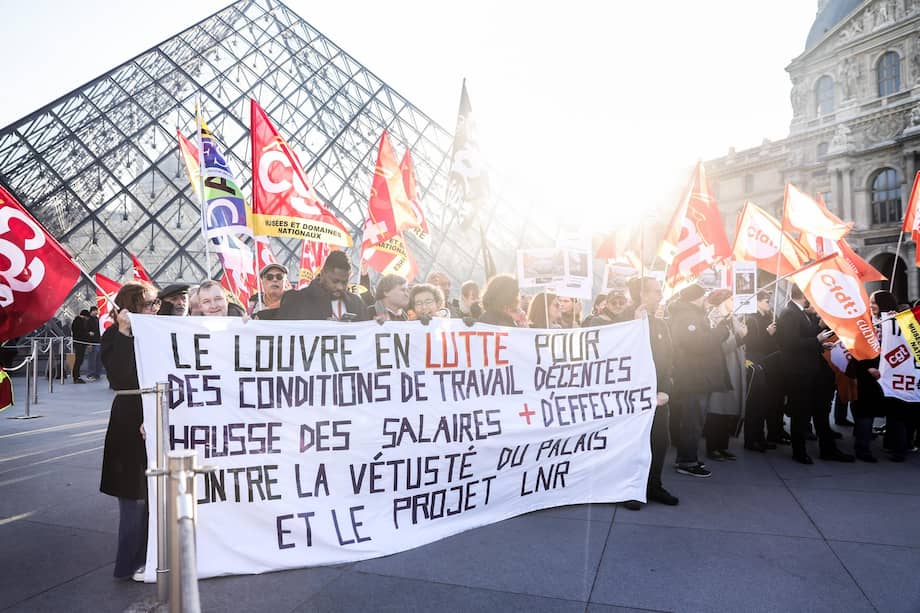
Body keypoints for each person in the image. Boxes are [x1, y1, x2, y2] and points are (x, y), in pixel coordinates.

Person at [100, 281, 160, 581]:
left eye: (156, 303)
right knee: (133, 494)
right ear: (129, 307)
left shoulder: (157, 330)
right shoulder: (114, 335)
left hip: (157, 412)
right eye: (149, 304)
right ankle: (129, 563)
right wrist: (124, 332)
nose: (155, 308)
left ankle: (151, 556)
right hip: (130, 416)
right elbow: (121, 378)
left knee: (156, 493)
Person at [776, 284, 854, 464]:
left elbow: (803, 338)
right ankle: (799, 452)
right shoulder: (790, 313)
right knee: (800, 413)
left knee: (815, 411)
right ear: (804, 295)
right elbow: (789, 344)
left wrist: (820, 344)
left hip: (810, 370)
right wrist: (816, 340)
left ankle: (827, 449)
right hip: (798, 372)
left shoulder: (797, 311)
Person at [621, 276, 679, 509]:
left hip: (657, 397)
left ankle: (653, 485)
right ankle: (630, 490)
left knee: (659, 441)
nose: (660, 295)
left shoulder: (661, 325)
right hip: (630, 397)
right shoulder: (622, 322)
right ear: (641, 294)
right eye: (655, 291)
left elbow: (669, 361)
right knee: (632, 443)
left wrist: (665, 389)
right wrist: (634, 326)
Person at [669, 284, 732, 478]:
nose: (706, 300)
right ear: (696, 298)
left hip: (698, 376)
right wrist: (721, 331)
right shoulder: (686, 316)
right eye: (703, 297)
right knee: (692, 423)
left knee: (695, 421)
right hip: (694, 377)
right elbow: (699, 343)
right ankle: (686, 461)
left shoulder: (691, 314)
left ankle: (689, 458)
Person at [703, 289, 747, 462]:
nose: (735, 302)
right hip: (722, 369)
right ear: (723, 301)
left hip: (733, 368)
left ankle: (723, 446)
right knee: (717, 410)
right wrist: (739, 338)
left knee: (727, 411)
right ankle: (713, 447)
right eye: (731, 299)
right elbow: (718, 347)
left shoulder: (733, 317)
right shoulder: (714, 318)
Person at [278, 251, 369, 321]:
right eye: (335, 281)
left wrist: (376, 323)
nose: (340, 287)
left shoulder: (357, 304)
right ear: (322, 274)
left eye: (344, 282)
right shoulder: (296, 300)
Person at [743, 290, 782, 451]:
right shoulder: (751, 319)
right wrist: (767, 334)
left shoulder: (768, 317)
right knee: (754, 404)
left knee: (763, 404)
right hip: (755, 363)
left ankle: (760, 437)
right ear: (757, 302)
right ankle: (751, 440)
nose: (769, 304)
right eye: (766, 301)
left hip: (767, 363)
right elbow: (751, 343)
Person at [71, 309, 91, 383]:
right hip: (80, 343)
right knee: (79, 360)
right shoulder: (80, 322)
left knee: (79, 360)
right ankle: (76, 377)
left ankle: (76, 376)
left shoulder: (76, 321)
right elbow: (81, 332)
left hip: (79, 343)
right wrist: (88, 334)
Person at [86, 306, 103, 381]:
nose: (97, 312)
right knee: (92, 359)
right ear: (92, 311)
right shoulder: (88, 320)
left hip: (98, 342)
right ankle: (90, 374)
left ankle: (97, 374)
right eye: (95, 311)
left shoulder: (97, 319)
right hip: (92, 343)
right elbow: (86, 331)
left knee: (98, 360)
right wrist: (89, 343)